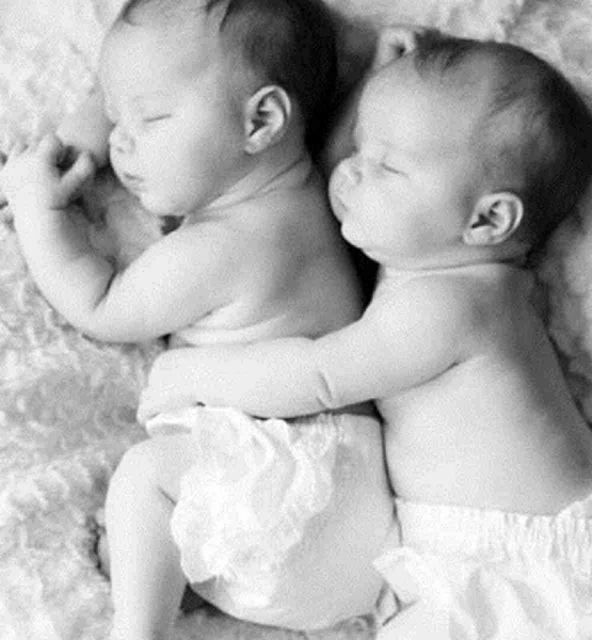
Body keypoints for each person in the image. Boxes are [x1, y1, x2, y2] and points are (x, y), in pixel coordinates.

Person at [138, 32, 592, 639]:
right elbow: (322, 179)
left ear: (487, 219)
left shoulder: (447, 306)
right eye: (360, 146)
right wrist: (373, 81)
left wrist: (193, 376)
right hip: (499, 557)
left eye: (388, 167)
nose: (351, 171)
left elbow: (320, 375)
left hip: (518, 568)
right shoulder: (451, 273)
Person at [0, 1, 397, 639]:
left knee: (143, 480)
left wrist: (37, 208)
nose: (121, 142)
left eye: (152, 118)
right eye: (115, 118)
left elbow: (100, 306)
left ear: (261, 121)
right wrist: (374, 79)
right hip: (358, 517)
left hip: (296, 493)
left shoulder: (219, 247)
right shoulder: (314, 193)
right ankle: (181, 569)